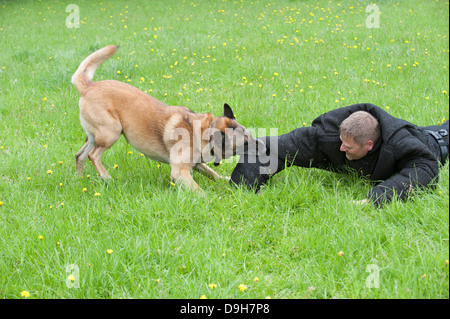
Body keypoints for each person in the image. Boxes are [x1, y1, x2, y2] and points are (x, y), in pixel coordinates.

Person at [230, 103, 449, 208]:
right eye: (341, 143)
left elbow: (425, 171)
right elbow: (270, 147)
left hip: (435, 142)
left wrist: (374, 198)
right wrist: (242, 187)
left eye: (349, 147)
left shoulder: (401, 144)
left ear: (369, 145)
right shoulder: (328, 137)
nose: (342, 149)